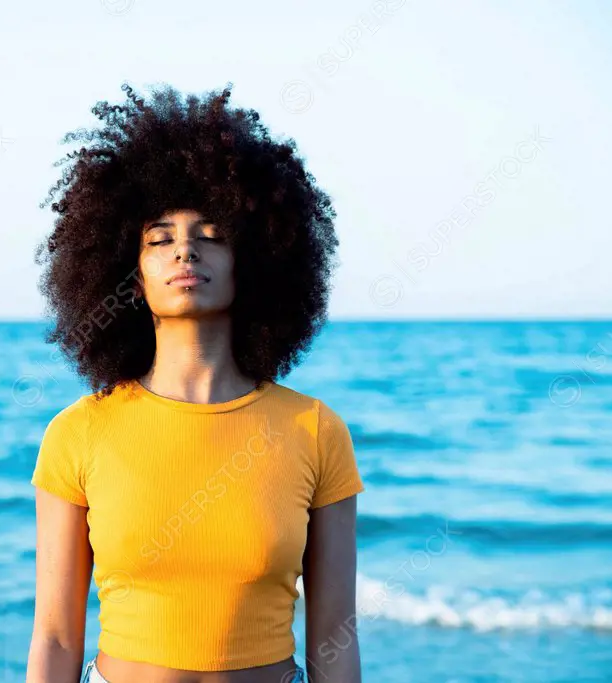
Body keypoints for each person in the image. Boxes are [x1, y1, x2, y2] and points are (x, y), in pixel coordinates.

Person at [27, 82, 364, 683]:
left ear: (253, 260)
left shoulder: (314, 429)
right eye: (159, 240)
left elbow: (335, 636)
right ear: (132, 277)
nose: (185, 251)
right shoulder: (76, 434)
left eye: (212, 236)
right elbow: (54, 635)